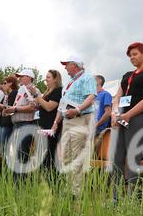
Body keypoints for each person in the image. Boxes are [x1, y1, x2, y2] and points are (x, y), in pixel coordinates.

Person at [110, 42, 143, 192]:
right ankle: (116, 197)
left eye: (135, 54)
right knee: (117, 158)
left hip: (140, 118)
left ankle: (134, 198)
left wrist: (128, 114)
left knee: (134, 159)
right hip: (122, 120)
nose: (131, 58)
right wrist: (115, 113)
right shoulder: (127, 75)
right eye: (130, 56)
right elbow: (117, 97)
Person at [51, 55, 96, 196]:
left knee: (76, 156)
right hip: (67, 120)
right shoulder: (69, 82)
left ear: (75, 65)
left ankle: (76, 192)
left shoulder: (87, 78)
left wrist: (77, 109)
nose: (65, 67)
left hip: (80, 118)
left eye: (67, 64)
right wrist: (55, 122)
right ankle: (68, 189)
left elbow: (91, 96)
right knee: (66, 156)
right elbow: (62, 104)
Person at [28, 69, 63, 169]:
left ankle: (52, 180)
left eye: (48, 77)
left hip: (51, 126)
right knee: (42, 154)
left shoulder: (58, 91)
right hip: (42, 124)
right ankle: (44, 178)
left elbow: (49, 107)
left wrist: (36, 95)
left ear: (55, 79)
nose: (46, 79)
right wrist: (35, 105)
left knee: (49, 154)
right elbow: (43, 106)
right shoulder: (47, 91)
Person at [6, 68, 38, 177]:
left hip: (25, 124)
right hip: (17, 124)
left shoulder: (33, 90)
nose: (19, 78)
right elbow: (19, 107)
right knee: (16, 153)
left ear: (29, 78)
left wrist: (14, 110)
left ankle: (21, 183)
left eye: (22, 76)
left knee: (22, 154)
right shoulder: (21, 89)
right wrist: (8, 109)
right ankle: (16, 182)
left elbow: (33, 107)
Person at [0, 75, 19, 153]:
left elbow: (9, 108)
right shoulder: (6, 95)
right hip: (3, 122)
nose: (3, 85)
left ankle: (6, 164)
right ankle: (4, 164)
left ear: (10, 83)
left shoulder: (14, 93)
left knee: (5, 146)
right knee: (3, 147)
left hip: (8, 123)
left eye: (4, 83)